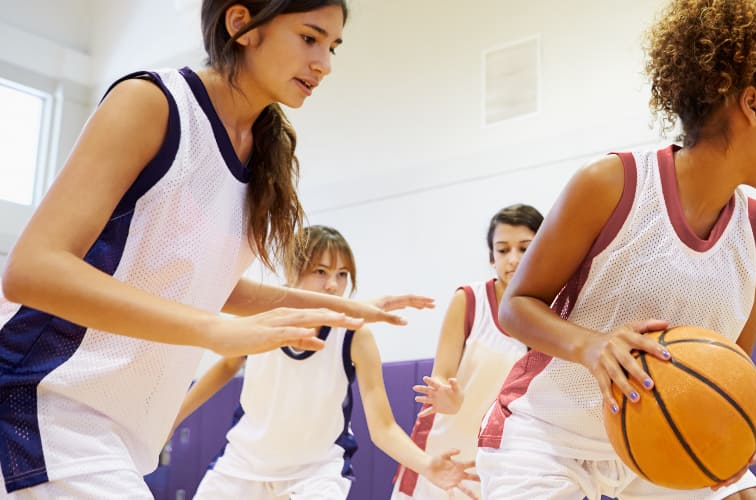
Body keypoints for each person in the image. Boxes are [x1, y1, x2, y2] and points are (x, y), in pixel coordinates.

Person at [0, 1, 422, 496]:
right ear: (241, 23)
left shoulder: (264, 151)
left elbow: (210, 284)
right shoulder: (152, 102)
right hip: (40, 402)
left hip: (113, 428)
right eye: (309, 38)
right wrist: (213, 332)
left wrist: (341, 308)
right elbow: (32, 270)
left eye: (332, 46)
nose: (324, 63)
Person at [475, 0, 756, 498]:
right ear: (752, 105)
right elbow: (516, 307)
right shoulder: (612, 184)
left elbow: (730, 360)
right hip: (548, 435)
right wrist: (593, 345)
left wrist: (734, 415)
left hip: (658, 437)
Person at [176, 225, 477, 499]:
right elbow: (227, 366)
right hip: (242, 464)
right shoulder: (260, 318)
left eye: (342, 274)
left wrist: (426, 465)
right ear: (293, 270)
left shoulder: (355, 337)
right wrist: (173, 418)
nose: (333, 285)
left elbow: (383, 427)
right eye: (320, 271)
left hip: (316, 473)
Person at [392, 204, 544, 499]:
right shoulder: (469, 300)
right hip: (443, 449)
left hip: (502, 461)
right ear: (491, 256)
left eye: (525, 248)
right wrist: (446, 398)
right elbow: (440, 378)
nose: (513, 259)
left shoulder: (552, 311)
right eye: (503, 250)